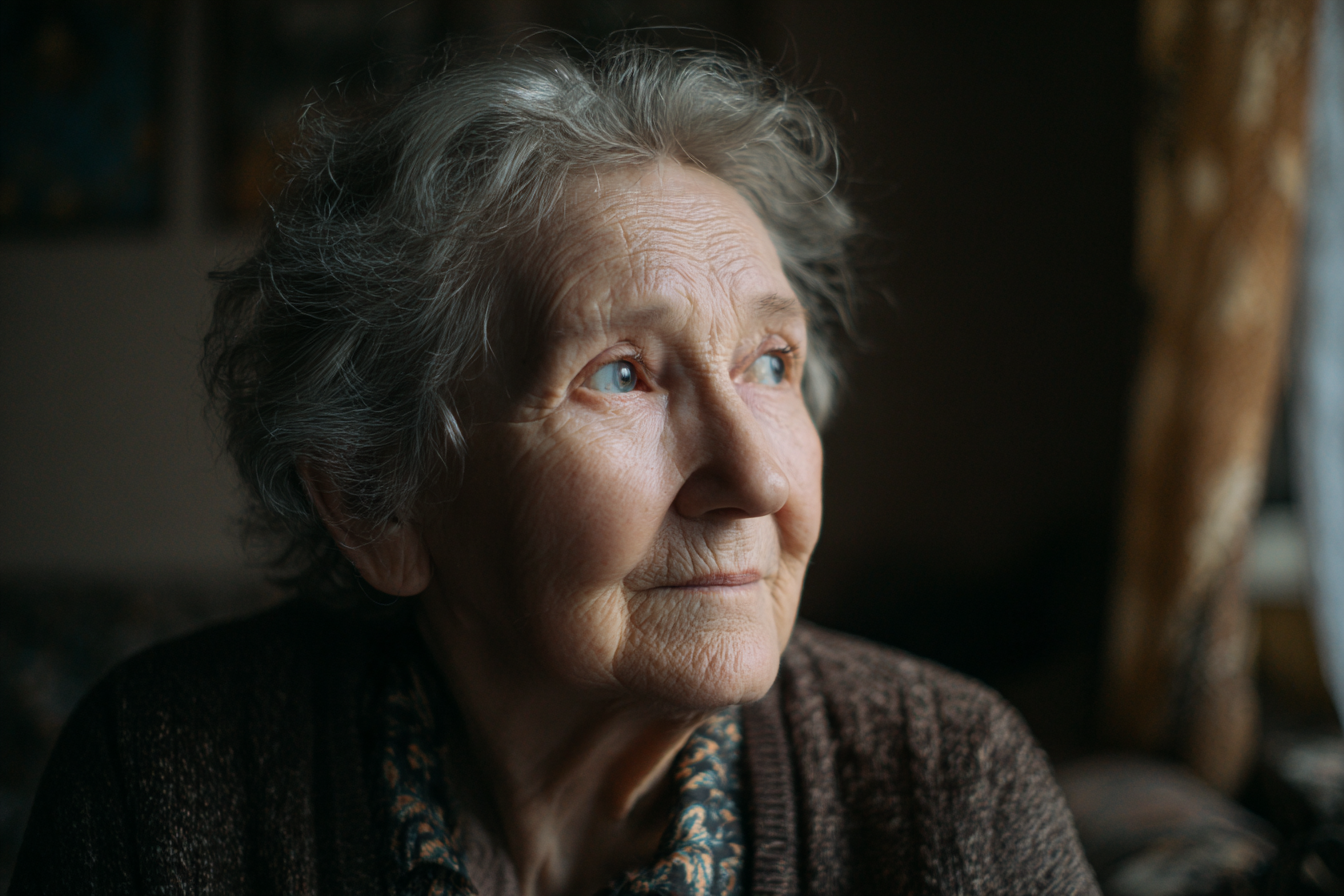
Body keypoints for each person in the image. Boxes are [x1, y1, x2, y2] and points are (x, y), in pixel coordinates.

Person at [11, 41, 1099, 895]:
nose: (759, 474)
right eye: (623, 375)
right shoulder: (158, 776)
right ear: (373, 498)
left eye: (771, 361)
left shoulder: (948, 779)